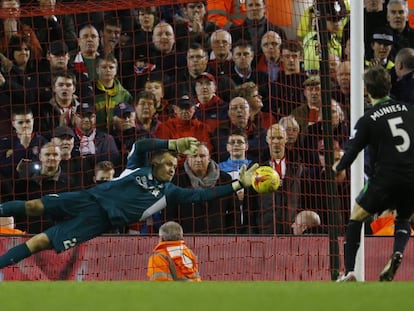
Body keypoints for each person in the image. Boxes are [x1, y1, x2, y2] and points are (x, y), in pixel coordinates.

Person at [0, 137, 258, 269]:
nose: (171, 169)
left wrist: (239, 184)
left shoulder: (169, 192)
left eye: (174, 166)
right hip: (89, 197)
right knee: (34, 206)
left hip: (97, 222)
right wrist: (172, 143)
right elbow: (140, 144)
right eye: (168, 163)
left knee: (39, 242)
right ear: (156, 161)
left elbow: (203, 195)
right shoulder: (137, 166)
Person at [334, 66, 414, 282]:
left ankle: (349, 271)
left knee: (357, 215)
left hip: (386, 177)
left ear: (367, 89)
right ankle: (397, 252)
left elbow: (352, 152)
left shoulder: (368, 119)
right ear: (388, 86)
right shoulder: (410, 109)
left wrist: (338, 167)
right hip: (411, 176)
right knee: (404, 218)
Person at [166, 142, 235, 234]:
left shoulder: (225, 179)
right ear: (187, 159)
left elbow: (233, 212)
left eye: (202, 156)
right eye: (194, 156)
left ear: (209, 158)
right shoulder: (177, 180)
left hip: (219, 238)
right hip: (186, 237)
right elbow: (170, 213)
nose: (198, 160)